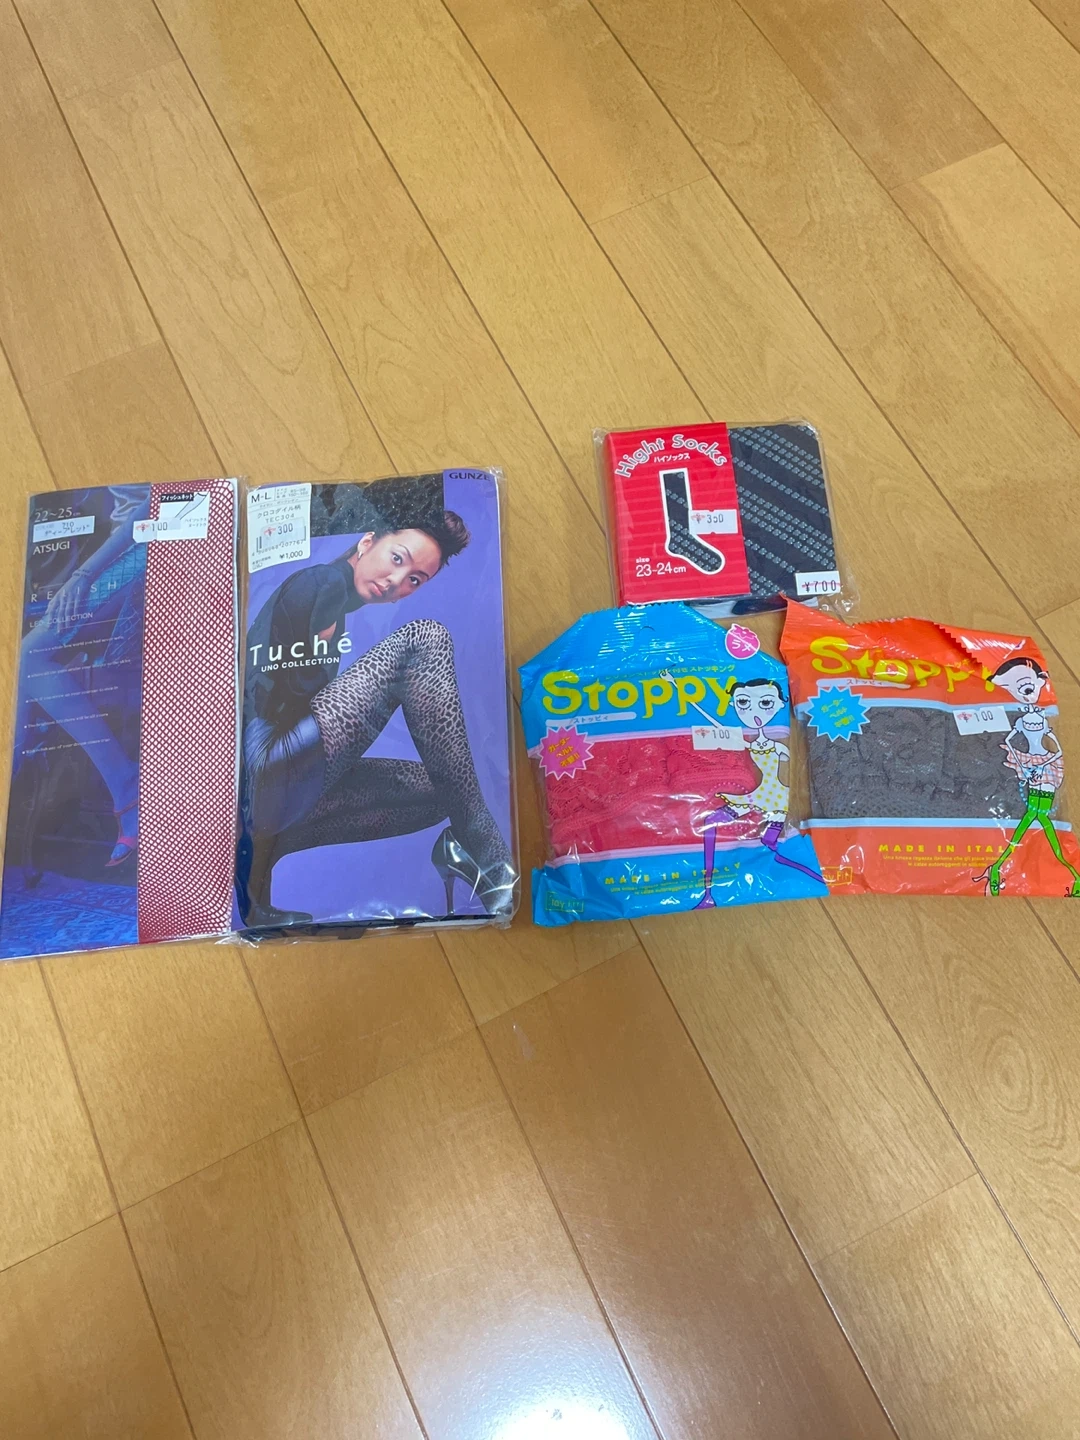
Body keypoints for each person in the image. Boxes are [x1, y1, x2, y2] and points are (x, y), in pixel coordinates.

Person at [237, 476, 514, 927]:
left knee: (439, 788)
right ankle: (484, 846)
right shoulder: (323, 584)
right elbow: (282, 706)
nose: (396, 582)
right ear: (367, 542)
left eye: (415, 580)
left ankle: (256, 877)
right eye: (397, 559)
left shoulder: (334, 606)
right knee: (424, 640)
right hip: (264, 768)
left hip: (271, 795)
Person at [15, 487, 149, 867]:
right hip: (122, 546)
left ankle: (126, 784)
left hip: (149, 544)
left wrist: (84, 574)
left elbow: (150, 506)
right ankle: (20, 772)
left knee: (30, 656)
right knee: (26, 669)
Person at [694, 677, 820, 909]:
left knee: (770, 844)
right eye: (743, 703)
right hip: (758, 796)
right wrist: (678, 688)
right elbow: (714, 723)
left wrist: (788, 805)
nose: (753, 712)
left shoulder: (779, 746)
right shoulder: (750, 743)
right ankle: (707, 893)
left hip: (776, 800)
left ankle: (813, 875)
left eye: (765, 703)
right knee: (711, 822)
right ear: (733, 704)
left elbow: (794, 770)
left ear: (781, 704)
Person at [975, 656, 1080, 896]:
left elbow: (1058, 751)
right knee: (1038, 818)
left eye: (1026, 688)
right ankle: (1070, 873)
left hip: (1046, 767)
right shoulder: (1021, 721)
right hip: (1031, 765)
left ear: (1041, 681)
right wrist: (1022, 762)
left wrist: (1041, 766)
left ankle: (998, 868)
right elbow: (1010, 741)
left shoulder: (1042, 719)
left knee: (1037, 819)